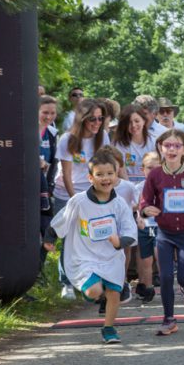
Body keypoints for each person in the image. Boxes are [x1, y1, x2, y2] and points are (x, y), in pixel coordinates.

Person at [45, 149, 137, 343]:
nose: (106, 178)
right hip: (84, 257)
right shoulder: (79, 201)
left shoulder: (119, 204)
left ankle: (109, 328)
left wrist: (120, 242)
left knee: (114, 293)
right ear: (90, 177)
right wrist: (50, 239)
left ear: (117, 173)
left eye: (110, 174)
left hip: (111, 257)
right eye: (100, 174)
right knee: (94, 291)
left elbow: (130, 229)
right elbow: (60, 221)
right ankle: (93, 291)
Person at [140, 129, 184, 336]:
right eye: (167, 145)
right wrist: (145, 210)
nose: (171, 149)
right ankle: (168, 319)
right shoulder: (154, 175)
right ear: (161, 149)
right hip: (164, 233)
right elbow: (145, 200)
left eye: (176, 146)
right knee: (166, 276)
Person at [53, 99, 110, 299]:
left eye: (100, 118)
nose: (97, 123)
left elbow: (104, 168)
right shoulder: (67, 139)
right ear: (82, 118)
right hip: (67, 194)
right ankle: (66, 283)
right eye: (92, 119)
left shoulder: (103, 137)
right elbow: (66, 175)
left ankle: (92, 280)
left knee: (94, 236)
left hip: (94, 194)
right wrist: (75, 200)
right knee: (70, 239)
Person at [133, 151, 160, 303]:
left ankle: (167, 284)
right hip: (145, 226)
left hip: (160, 227)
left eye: (156, 168)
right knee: (146, 260)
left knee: (160, 255)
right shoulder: (138, 188)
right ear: (142, 170)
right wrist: (138, 218)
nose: (153, 172)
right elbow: (137, 207)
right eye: (149, 168)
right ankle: (148, 288)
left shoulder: (165, 185)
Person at [39, 96, 59, 269]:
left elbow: (54, 161)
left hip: (45, 189)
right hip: (27, 188)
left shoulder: (52, 133)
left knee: (47, 230)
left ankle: (38, 272)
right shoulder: (27, 130)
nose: (49, 116)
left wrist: (50, 185)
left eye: (52, 113)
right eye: (45, 112)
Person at [112, 105, 157, 183]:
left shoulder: (154, 142)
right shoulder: (118, 145)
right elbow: (121, 171)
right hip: (127, 186)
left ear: (144, 121)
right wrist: (130, 188)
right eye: (129, 122)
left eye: (137, 121)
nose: (133, 125)